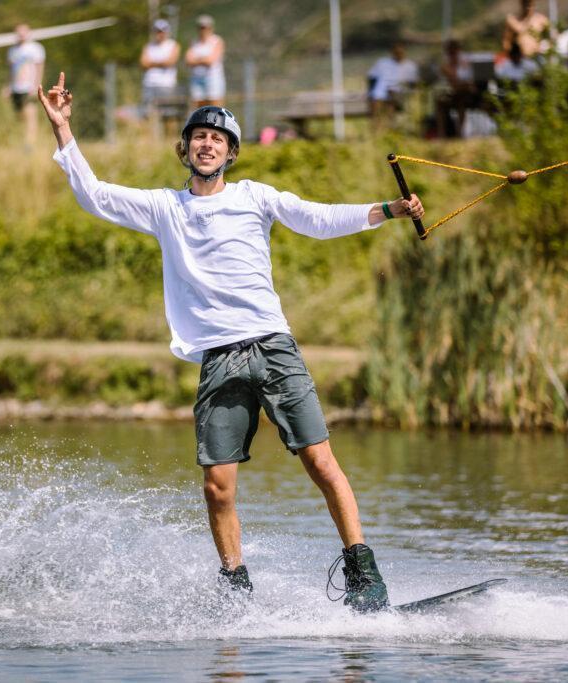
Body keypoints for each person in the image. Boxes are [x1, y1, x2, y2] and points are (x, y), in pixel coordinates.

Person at [38, 71, 425, 613]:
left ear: (231, 153)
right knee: (217, 487)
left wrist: (389, 209)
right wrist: (62, 129)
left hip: (272, 346)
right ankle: (235, 588)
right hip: (219, 359)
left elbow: (317, 219)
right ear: (185, 148)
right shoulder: (165, 208)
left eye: (218, 138)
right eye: (200, 135)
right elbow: (93, 194)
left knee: (321, 462)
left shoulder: (255, 197)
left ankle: (363, 570)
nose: (208, 143)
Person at [7, 23, 46, 147]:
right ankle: (23, 142)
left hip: (29, 88)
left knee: (30, 117)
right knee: (20, 117)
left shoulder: (35, 48)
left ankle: (30, 145)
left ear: (28, 33)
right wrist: (8, 86)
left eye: (23, 32)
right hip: (16, 89)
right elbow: (11, 71)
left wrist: (36, 86)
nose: (21, 35)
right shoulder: (12, 50)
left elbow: (40, 68)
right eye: (19, 32)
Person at [140, 19, 181, 126]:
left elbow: (170, 62)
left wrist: (152, 63)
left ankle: (169, 137)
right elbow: (143, 63)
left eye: (163, 31)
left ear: (167, 32)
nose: (160, 33)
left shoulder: (173, 45)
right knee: (148, 113)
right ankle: (152, 138)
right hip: (149, 84)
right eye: (158, 31)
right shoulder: (148, 46)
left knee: (168, 113)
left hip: (166, 85)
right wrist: (162, 62)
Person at [436, 40, 477, 138]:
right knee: (440, 103)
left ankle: (460, 133)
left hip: (467, 94)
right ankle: (442, 134)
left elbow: (467, 80)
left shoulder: (466, 61)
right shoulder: (445, 63)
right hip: (455, 94)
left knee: (461, 101)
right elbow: (451, 78)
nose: (451, 54)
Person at [367, 42, 419, 120]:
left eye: (400, 52)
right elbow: (371, 78)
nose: (398, 54)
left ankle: (390, 125)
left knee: (391, 101)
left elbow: (413, 84)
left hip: (399, 93)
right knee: (376, 101)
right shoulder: (382, 63)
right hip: (381, 93)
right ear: (392, 52)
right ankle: (376, 126)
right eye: (396, 52)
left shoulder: (410, 66)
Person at [185, 15, 226, 108]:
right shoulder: (194, 42)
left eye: (205, 27)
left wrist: (196, 59)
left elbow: (210, 60)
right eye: (201, 27)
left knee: (215, 108)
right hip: (196, 79)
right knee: (198, 108)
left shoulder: (217, 41)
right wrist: (203, 59)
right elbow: (188, 60)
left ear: (211, 28)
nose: (203, 30)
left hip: (213, 79)